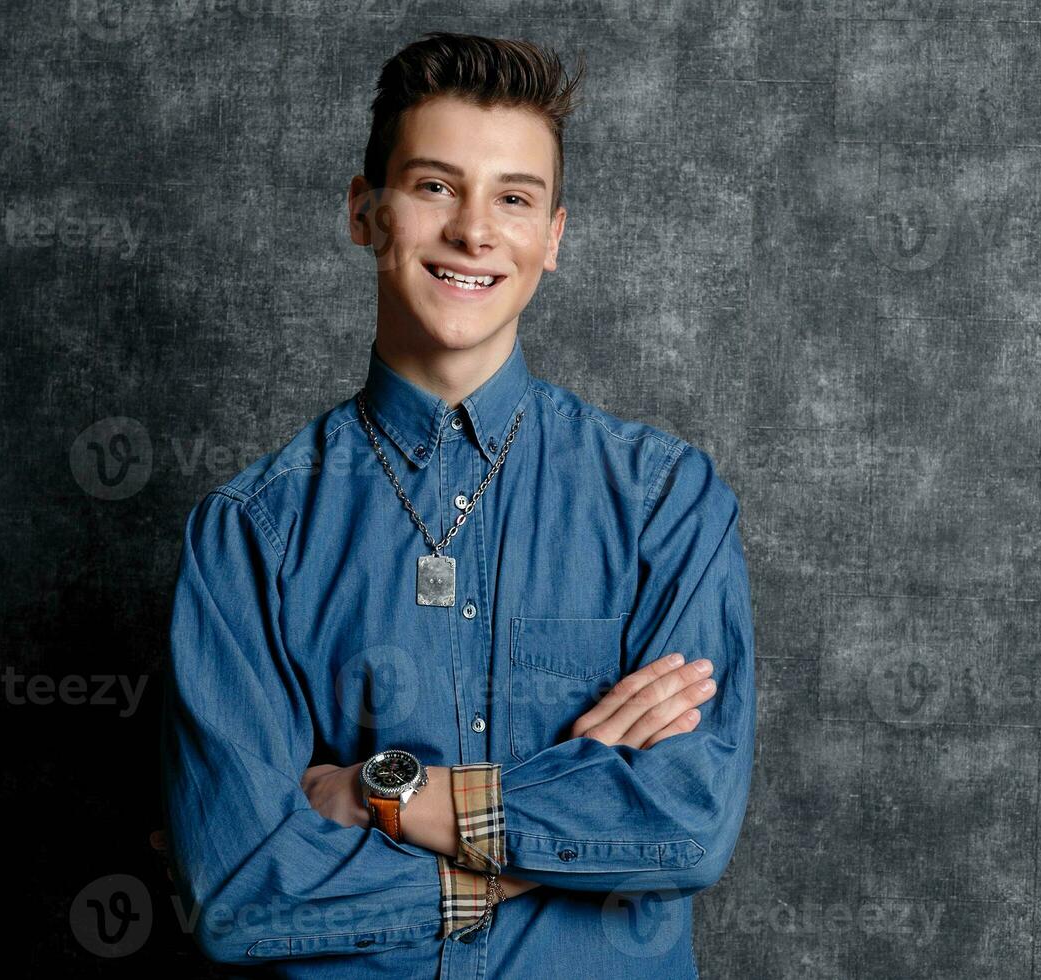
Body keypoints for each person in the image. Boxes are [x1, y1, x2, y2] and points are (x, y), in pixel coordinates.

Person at [160, 30, 756, 979]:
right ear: (364, 211)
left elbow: (684, 830)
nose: (475, 232)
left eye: (513, 199)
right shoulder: (251, 533)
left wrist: (380, 793)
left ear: (552, 238)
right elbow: (240, 894)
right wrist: (557, 836)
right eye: (436, 186)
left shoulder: (664, 503)